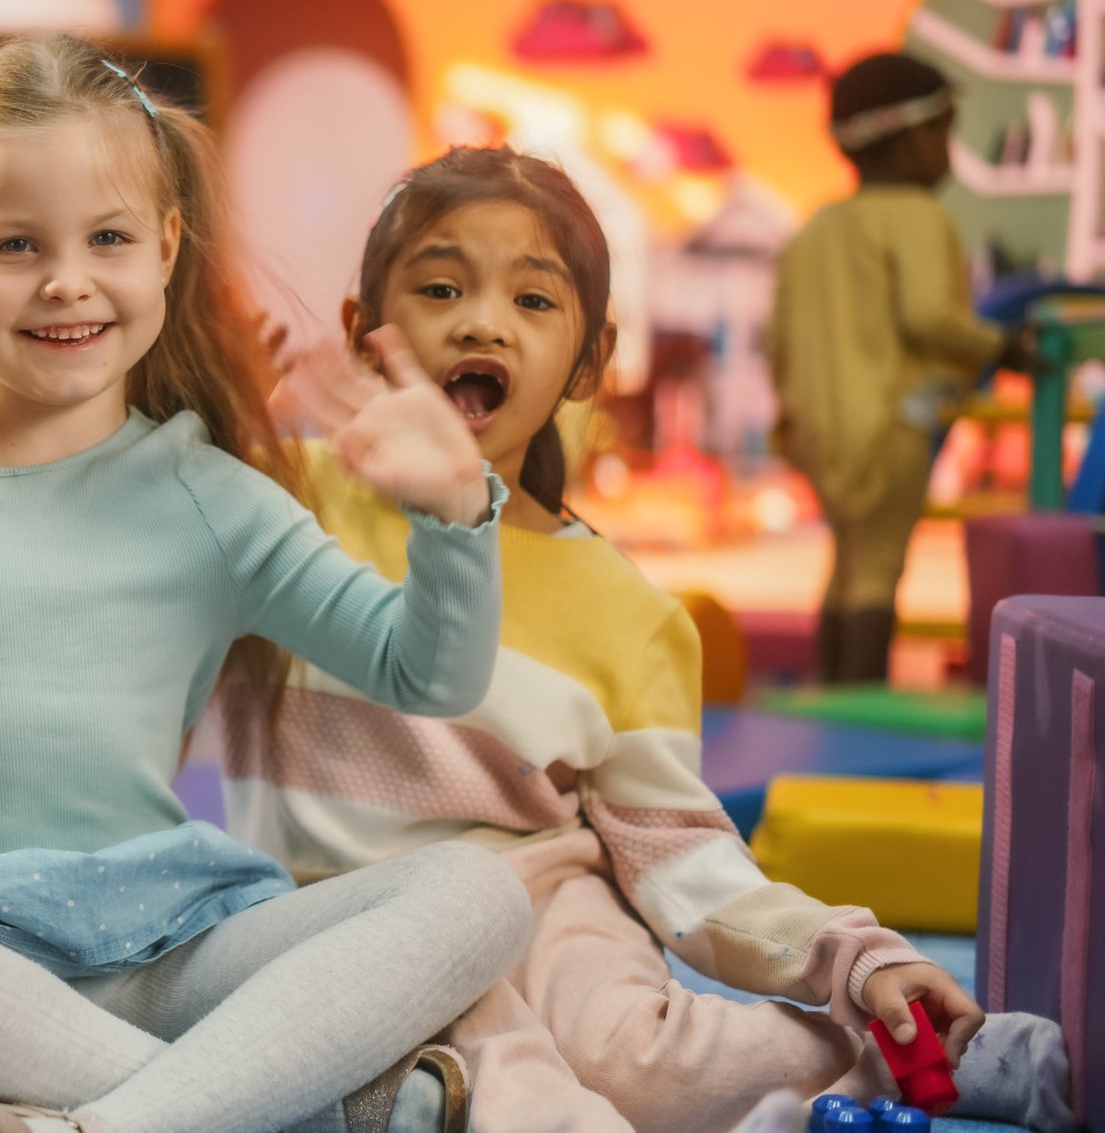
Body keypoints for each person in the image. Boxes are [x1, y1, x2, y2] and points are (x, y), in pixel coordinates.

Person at [0, 33, 537, 1133]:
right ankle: (279, 1111)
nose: (68, 278)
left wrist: (455, 512)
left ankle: (118, 1124)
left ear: (164, 247)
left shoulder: (213, 496)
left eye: (108, 236)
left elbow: (426, 671)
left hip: (172, 951)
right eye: (14, 243)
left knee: (481, 891)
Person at [226, 145, 1074, 1133]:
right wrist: (187, 401)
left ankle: (925, 1053)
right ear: (363, 334)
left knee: (638, 1061)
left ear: (589, 361)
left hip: (549, 907)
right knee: (479, 1078)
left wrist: (855, 954)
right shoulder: (278, 502)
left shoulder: (629, 613)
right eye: (441, 285)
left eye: (533, 300)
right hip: (343, 916)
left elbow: (685, 861)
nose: (481, 318)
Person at [769, 52, 1026, 683]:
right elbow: (928, 314)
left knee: (849, 558)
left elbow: (778, 340)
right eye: (944, 131)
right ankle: (860, 702)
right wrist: (1001, 345)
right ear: (913, 138)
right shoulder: (918, 216)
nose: (949, 149)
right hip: (891, 424)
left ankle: (827, 691)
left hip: (819, 430)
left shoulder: (816, 227)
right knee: (881, 562)